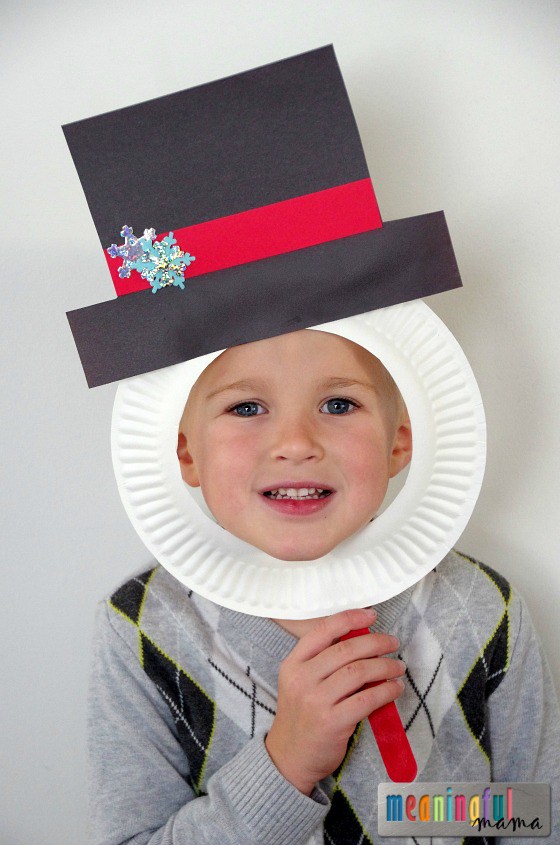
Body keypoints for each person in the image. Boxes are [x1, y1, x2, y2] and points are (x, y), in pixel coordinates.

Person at [89, 328, 560, 845]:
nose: (295, 443)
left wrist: (409, 809)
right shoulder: (142, 628)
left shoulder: (481, 609)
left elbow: (534, 818)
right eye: (246, 408)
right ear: (186, 454)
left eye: (339, 404)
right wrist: (286, 764)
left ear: (398, 441)